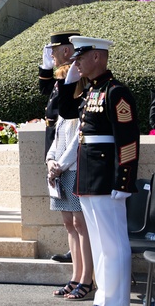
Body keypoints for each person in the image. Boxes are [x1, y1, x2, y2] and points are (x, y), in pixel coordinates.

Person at [73, 36, 137, 306]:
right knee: (99, 245)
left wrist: (123, 182)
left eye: (81, 56)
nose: (76, 61)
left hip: (107, 179)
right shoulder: (89, 90)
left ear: (97, 57)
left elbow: (128, 140)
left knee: (113, 245)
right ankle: (104, 298)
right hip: (89, 176)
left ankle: (117, 300)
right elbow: (63, 109)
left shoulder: (116, 91)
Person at [46, 57, 94, 301]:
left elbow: (77, 142)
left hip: (74, 170)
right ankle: (75, 276)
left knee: (80, 224)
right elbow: (56, 140)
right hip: (60, 172)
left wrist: (60, 166)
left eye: (62, 80)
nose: (59, 86)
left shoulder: (81, 107)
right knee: (68, 224)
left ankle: (87, 278)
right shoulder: (65, 110)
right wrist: (50, 160)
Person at [40, 29, 80, 263]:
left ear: (66, 50)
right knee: (65, 207)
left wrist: (61, 162)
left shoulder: (76, 78)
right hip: (57, 137)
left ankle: (79, 256)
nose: (51, 55)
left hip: (71, 145)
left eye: (54, 51)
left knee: (76, 214)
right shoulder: (62, 74)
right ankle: (73, 250)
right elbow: (46, 90)